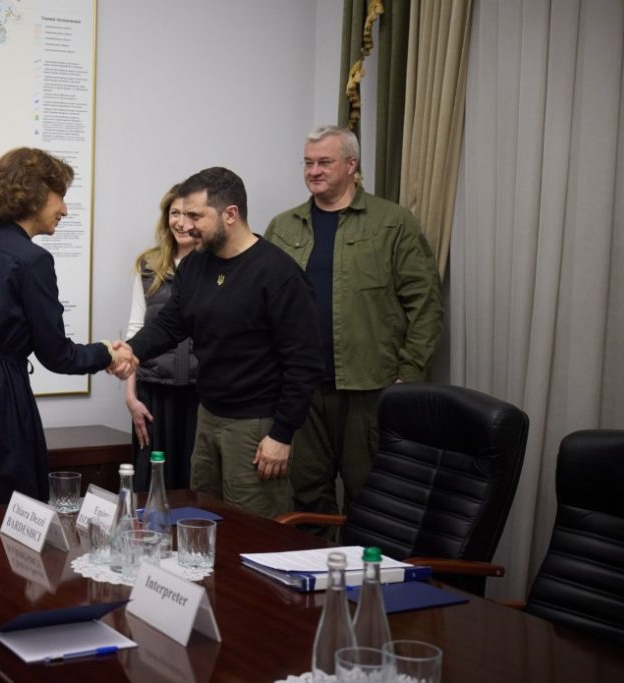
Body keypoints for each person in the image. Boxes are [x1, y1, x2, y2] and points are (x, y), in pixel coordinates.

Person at [0, 147, 135, 509]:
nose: (65, 209)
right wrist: (107, 353)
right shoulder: (32, 259)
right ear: (34, 193)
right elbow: (57, 355)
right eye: (61, 197)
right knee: (4, 514)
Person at [264, 125, 443, 523]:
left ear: (351, 165)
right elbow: (265, 306)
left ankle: (366, 585)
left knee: (371, 497)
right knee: (308, 498)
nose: (313, 171)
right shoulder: (284, 226)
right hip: (302, 389)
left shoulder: (392, 222)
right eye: (308, 163)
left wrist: (409, 374)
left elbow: (426, 304)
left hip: (371, 387)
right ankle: (310, 583)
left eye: (324, 162)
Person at [127, 167, 324, 518]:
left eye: (195, 216)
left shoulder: (278, 274)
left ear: (230, 214)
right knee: (202, 519)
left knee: (251, 531)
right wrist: (129, 352)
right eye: (182, 214)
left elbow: (304, 363)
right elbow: (171, 323)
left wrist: (281, 435)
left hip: (256, 426)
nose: (184, 226)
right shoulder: (195, 266)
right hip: (208, 416)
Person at [124, 184, 200, 491]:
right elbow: (134, 330)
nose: (181, 222)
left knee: (194, 482)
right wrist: (130, 396)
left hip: (200, 394)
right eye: (174, 213)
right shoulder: (148, 264)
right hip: (153, 392)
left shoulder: (216, 266)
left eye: (190, 214)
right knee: (152, 482)